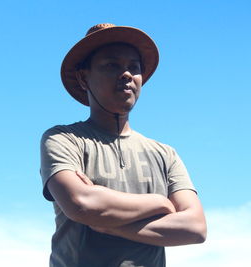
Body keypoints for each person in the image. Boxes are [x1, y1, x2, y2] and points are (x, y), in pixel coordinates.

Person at [40, 23, 207, 267]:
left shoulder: (164, 154)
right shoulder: (64, 139)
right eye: (112, 65)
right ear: (84, 77)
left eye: (134, 67)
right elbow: (81, 204)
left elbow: (195, 228)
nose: (127, 74)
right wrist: (159, 203)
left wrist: (109, 226)